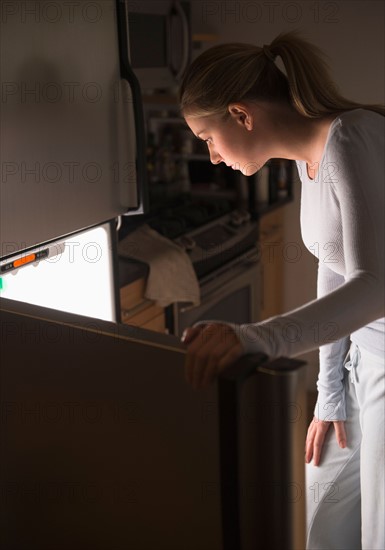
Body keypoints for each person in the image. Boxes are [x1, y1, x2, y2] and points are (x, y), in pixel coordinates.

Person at [179, 31, 385, 550]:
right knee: (315, 523)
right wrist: (330, 394)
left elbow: (376, 285)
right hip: (360, 364)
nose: (212, 158)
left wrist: (257, 338)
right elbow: (333, 269)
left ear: (242, 114)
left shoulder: (354, 137)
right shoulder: (306, 159)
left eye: (208, 138)